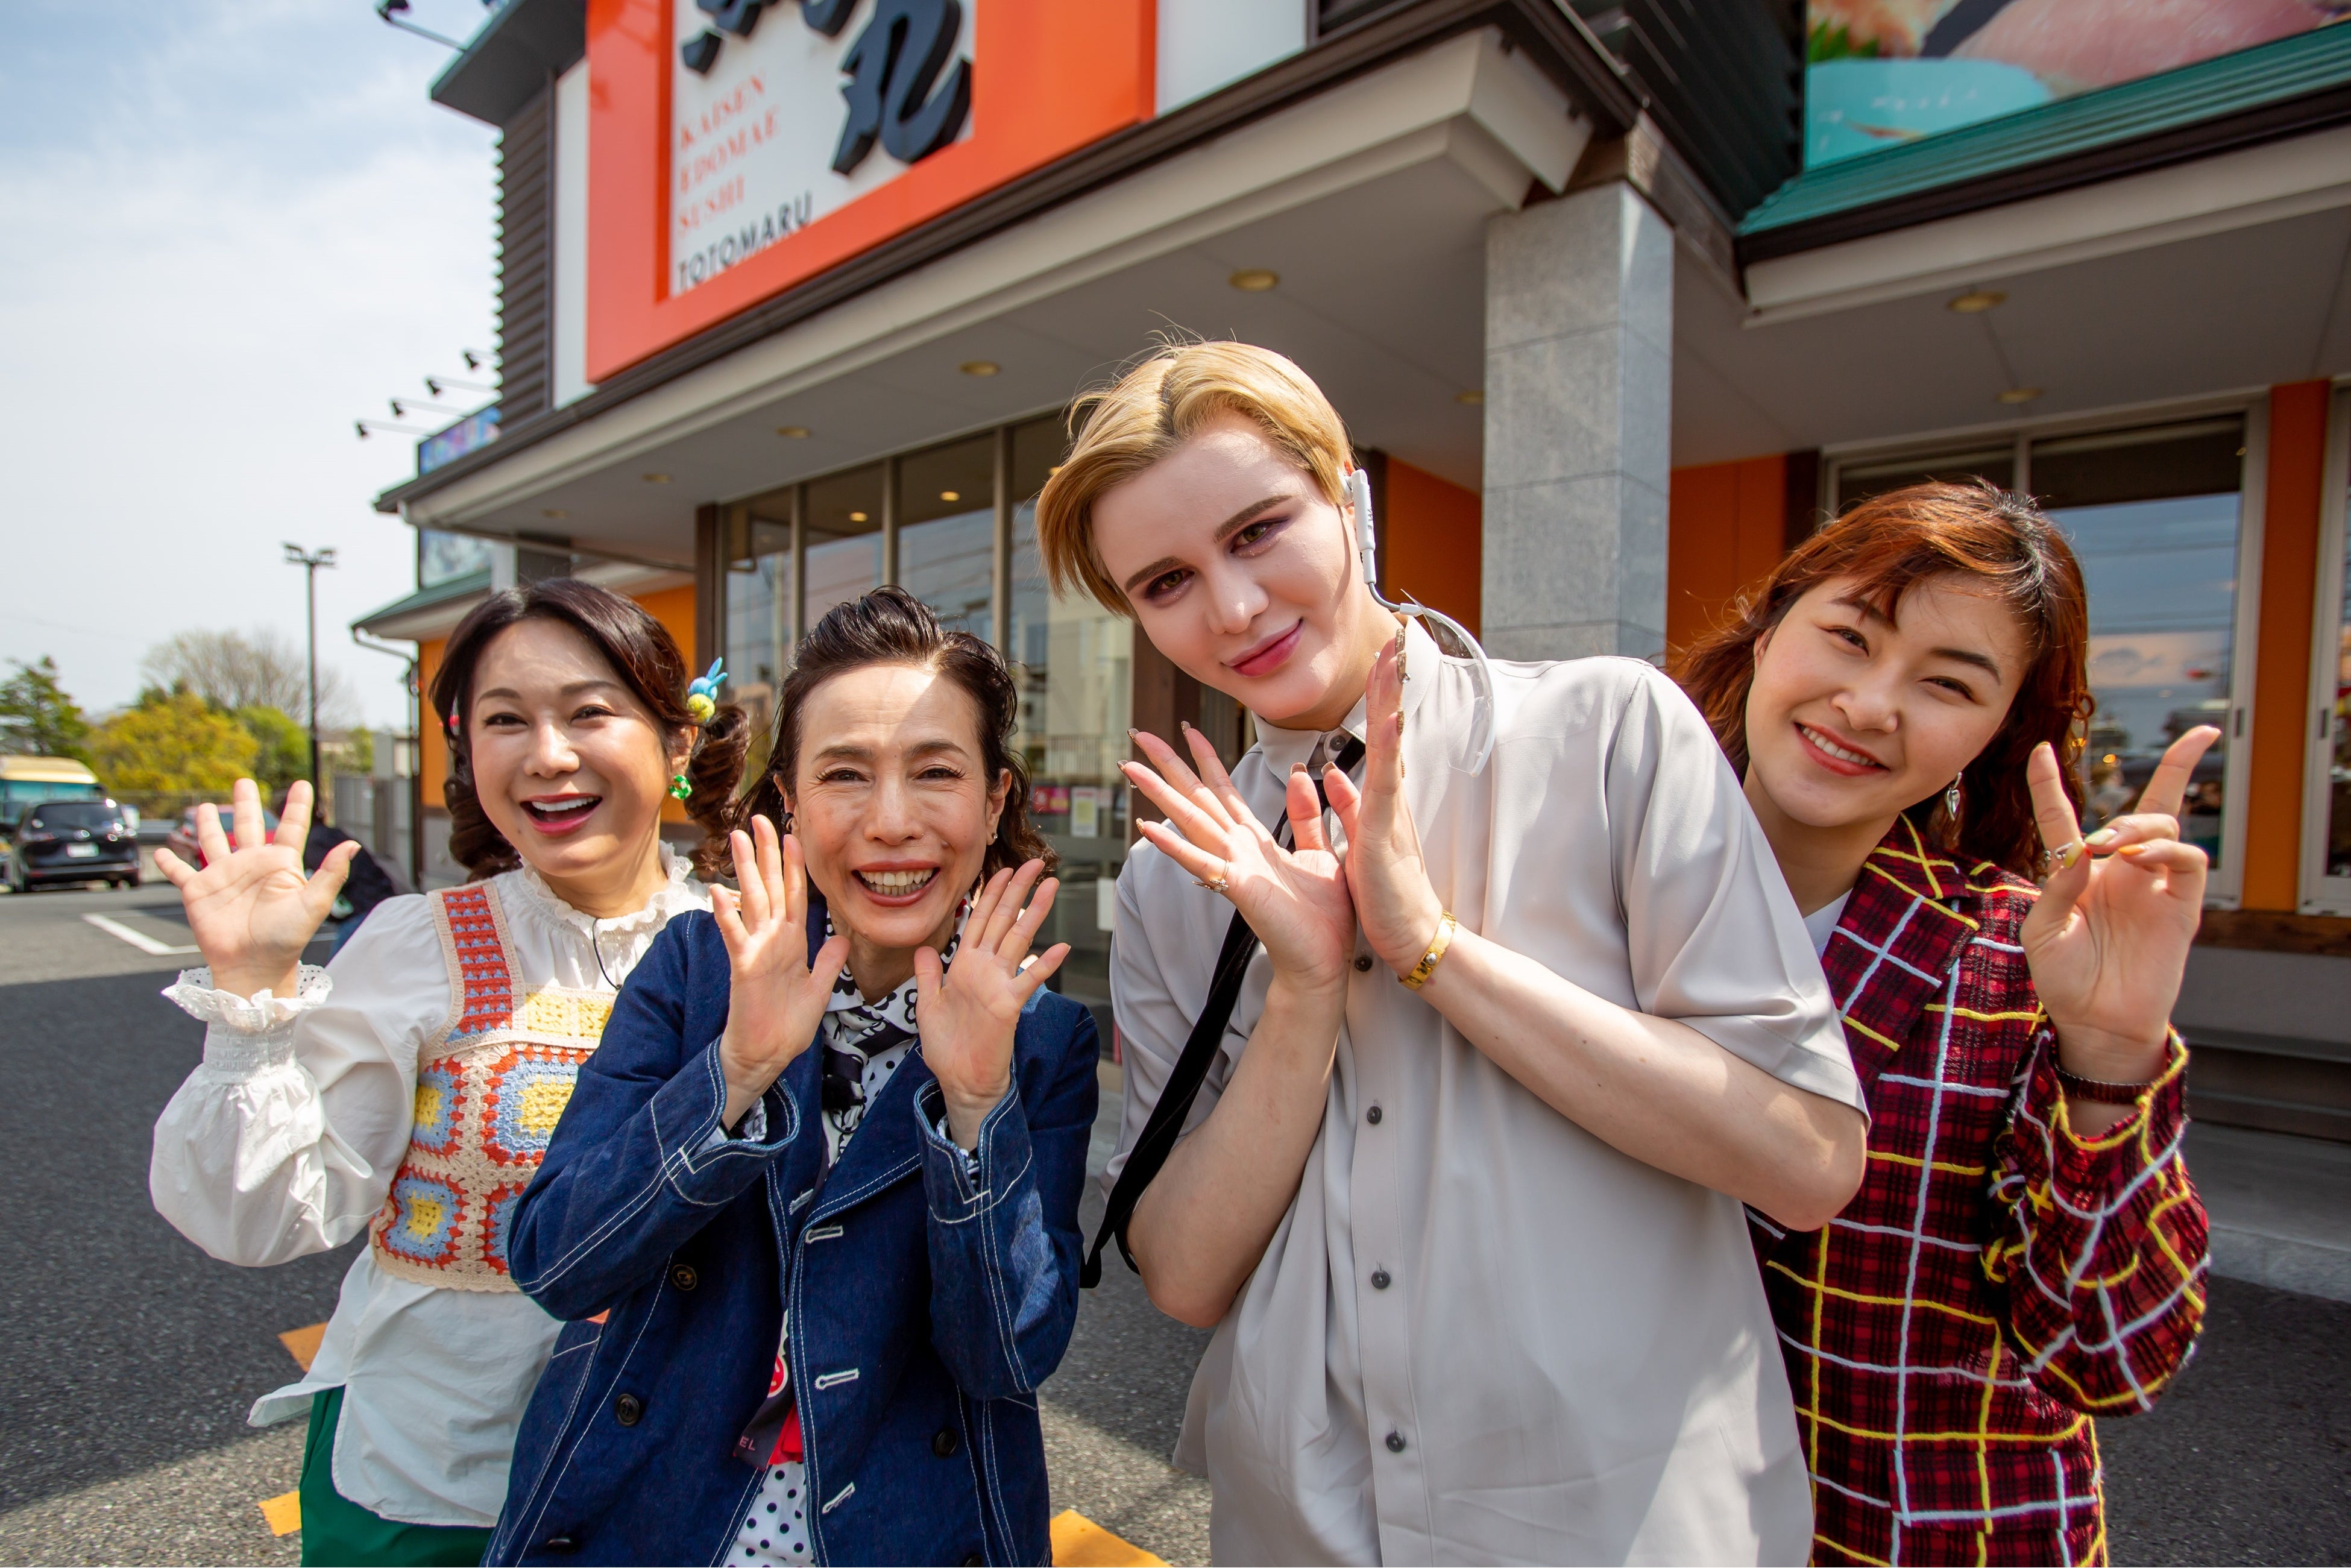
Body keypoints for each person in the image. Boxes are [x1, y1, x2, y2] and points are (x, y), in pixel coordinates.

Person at [1031, 341, 1871, 1564]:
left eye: (1260, 530)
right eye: (1167, 582)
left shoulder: (1607, 735)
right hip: (1305, 1521)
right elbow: (1185, 1275)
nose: (1234, 607)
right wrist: (1307, 990)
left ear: (1350, 499)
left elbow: (1806, 1160)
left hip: (1622, 1520)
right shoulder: (1176, 876)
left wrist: (1431, 950)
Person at [487, 587, 1099, 1567]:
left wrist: (976, 1107)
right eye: (845, 774)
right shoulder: (700, 968)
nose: (891, 822)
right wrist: (736, 1071)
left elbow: (1008, 1356)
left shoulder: (1045, 1040)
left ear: (993, 804)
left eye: (936, 772)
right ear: (792, 803)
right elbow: (557, 1262)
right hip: (655, 1514)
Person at [1671, 481, 2212, 1566]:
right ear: (1770, 630)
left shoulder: (2022, 959)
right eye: (1849, 635)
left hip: (1923, 1535)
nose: (1872, 704)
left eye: (1948, 683)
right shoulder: (1597, 891)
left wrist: (2110, 1052)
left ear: (1997, 732)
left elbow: (2113, 1356)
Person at [148, 579, 743, 1566]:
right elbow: (260, 1217)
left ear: (677, 742)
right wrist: (252, 993)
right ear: (469, 756)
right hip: (431, 1482)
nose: (547, 754)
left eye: (589, 711)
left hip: (675, 1484)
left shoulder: (747, 940)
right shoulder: (417, 944)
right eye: (506, 720)